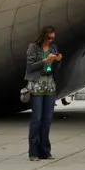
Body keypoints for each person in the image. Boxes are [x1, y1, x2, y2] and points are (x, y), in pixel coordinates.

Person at [25, 25, 61, 161]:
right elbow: (30, 66)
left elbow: (56, 67)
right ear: (43, 36)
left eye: (53, 38)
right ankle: (33, 152)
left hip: (50, 85)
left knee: (47, 120)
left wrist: (57, 61)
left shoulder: (53, 48)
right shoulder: (33, 48)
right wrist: (45, 61)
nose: (51, 40)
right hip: (37, 86)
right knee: (36, 119)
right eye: (49, 38)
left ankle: (45, 151)